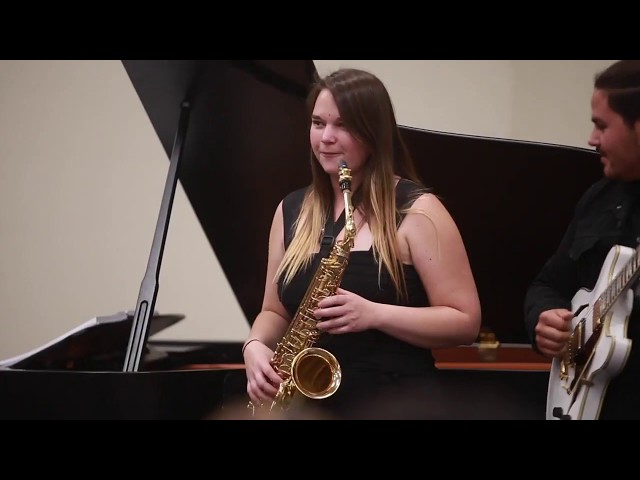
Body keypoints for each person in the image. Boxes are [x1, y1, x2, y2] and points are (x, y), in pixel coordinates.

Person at [236, 67, 481, 419]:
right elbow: (275, 311)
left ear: (373, 134)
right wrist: (254, 346)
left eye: (343, 125)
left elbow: (465, 322)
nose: (326, 138)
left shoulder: (418, 210)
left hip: (397, 404)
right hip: (307, 408)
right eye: (318, 123)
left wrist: (375, 314)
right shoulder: (290, 209)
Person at [524, 60, 640, 420]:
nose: (592, 139)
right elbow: (547, 283)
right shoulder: (597, 199)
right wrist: (542, 318)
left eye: (602, 126)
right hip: (586, 400)